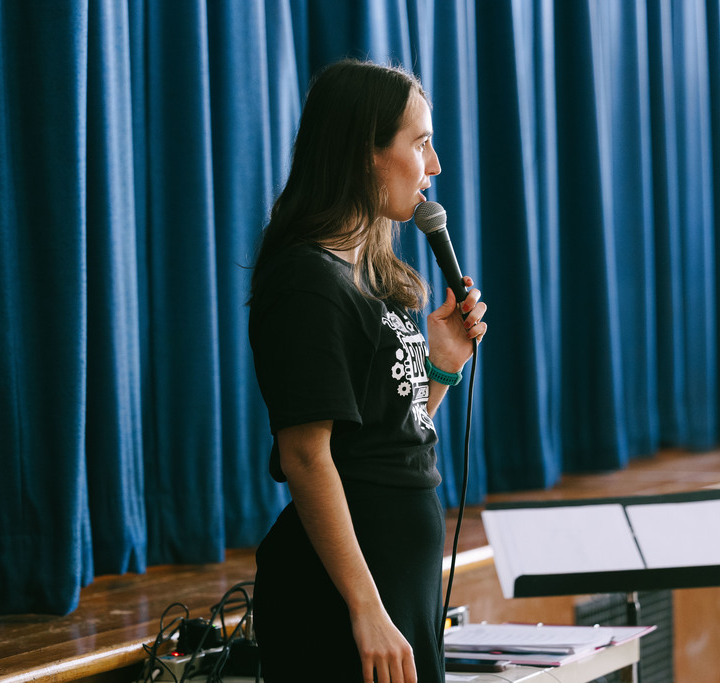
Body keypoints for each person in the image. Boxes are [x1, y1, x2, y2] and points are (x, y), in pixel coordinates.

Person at [247, 59, 487, 683]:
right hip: (340, 598)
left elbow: (385, 438)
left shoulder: (373, 280)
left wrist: (439, 367)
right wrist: (366, 606)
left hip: (396, 586)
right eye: (421, 143)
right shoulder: (307, 281)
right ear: (366, 153)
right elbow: (306, 455)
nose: (435, 166)